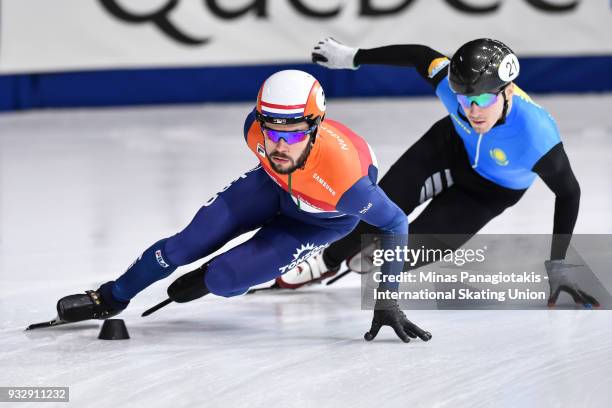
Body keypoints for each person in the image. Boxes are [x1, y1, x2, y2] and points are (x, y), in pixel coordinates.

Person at [53, 69, 432, 343]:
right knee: (183, 246)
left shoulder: (347, 182)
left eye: (295, 133)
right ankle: (110, 297)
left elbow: (394, 223)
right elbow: (274, 146)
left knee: (223, 279)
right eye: (273, 130)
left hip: (320, 220)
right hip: (272, 187)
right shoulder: (255, 130)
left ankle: (210, 276)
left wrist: (386, 301)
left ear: (316, 128)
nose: (280, 145)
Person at [277, 38, 598, 309]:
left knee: (408, 250)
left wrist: (557, 263)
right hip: (448, 147)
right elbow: (419, 55)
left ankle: (361, 256)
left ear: (508, 91)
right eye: (464, 99)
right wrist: (353, 58)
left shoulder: (537, 137)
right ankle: (327, 261)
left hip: (490, 191)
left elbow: (569, 193)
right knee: (378, 206)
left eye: (484, 99)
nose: (473, 110)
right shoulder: (450, 84)